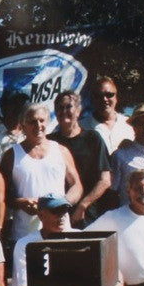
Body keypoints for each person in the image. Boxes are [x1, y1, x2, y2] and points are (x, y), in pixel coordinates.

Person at [1, 101, 82, 244]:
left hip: (60, 230)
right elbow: (3, 194)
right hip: (24, 234)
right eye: (32, 121)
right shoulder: (11, 155)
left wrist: (60, 205)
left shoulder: (61, 151)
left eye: (41, 120)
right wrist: (20, 202)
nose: (38, 126)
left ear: (48, 122)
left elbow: (77, 185)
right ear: (22, 125)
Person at [49, 89, 113, 228]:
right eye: (60, 108)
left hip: (89, 216)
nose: (64, 111)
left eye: (68, 107)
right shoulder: (50, 142)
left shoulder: (93, 139)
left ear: (78, 110)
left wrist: (83, 205)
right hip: (56, 217)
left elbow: (105, 180)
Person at [81, 75, 134, 155]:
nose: (104, 99)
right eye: (99, 96)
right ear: (93, 99)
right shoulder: (81, 127)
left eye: (109, 95)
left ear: (116, 97)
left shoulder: (130, 124)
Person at [0, 88, 28, 160]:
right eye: (14, 103)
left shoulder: (29, 134)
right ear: (4, 107)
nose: (18, 107)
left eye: (22, 103)